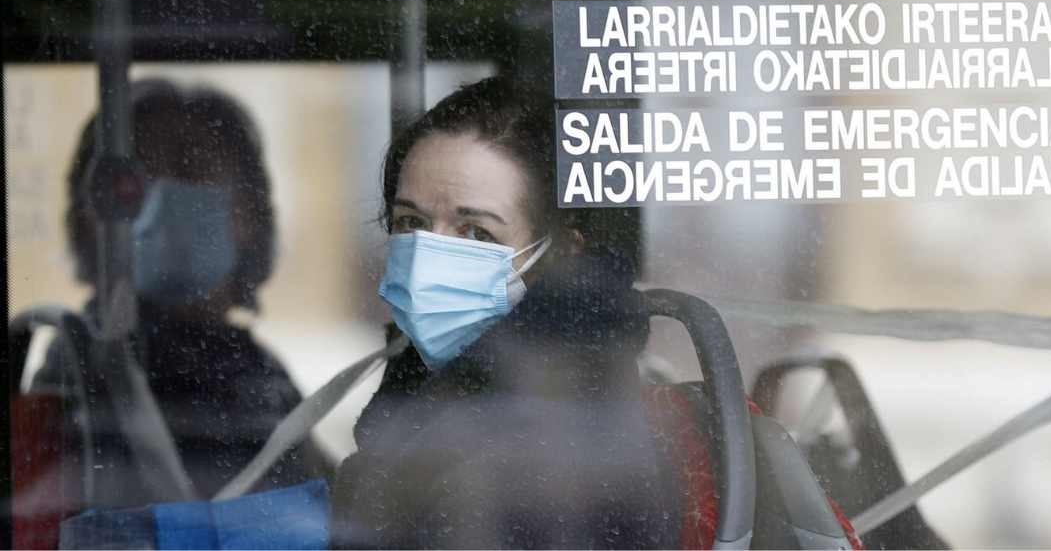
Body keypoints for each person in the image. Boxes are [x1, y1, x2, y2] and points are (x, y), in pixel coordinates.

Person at [331, 77, 676, 549]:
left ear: (558, 257)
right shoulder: (451, 392)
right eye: (411, 222)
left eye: (476, 233)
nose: (430, 254)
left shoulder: (542, 438)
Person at [33, 78, 331, 507]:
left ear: (248, 211)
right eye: (132, 184)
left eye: (190, 169)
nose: (160, 198)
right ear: (90, 221)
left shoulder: (257, 371)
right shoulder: (88, 368)